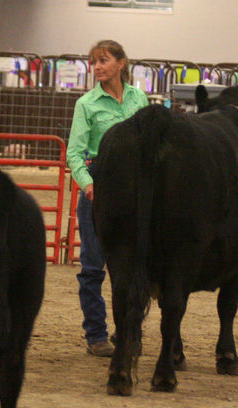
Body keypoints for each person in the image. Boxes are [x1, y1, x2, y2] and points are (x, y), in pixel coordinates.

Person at [66, 40, 149, 357]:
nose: (97, 67)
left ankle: (128, 331)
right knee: (92, 266)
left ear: (121, 63)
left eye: (104, 60)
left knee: (133, 265)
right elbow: (75, 153)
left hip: (133, 187)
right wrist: (89, 185)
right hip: (99, 185)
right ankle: (96, 334)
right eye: (94, 62)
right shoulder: (86, 104)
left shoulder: (138, 98)